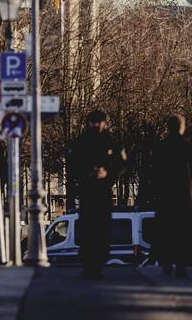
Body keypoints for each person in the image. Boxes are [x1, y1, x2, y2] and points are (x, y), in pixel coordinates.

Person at [67, 109, 125, 278]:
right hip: (87, 190)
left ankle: (97, 263)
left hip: (103, 190)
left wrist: (108, 174)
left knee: (101, 226)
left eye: (99, 123)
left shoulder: (110, 141)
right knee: (88, 226)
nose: (97, 126)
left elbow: (122, 163)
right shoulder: (81, 142)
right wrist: (85, 175)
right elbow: (71, 165)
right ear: (89, 124)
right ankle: (88, 263)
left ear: (104, 124)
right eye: (94, 123)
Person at [150, 113, 192, 276]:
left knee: (166, 230)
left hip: (165, 196)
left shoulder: (161, 147)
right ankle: (181, 265)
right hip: (184, 196)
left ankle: (166, 263)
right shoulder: (189, 147)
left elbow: (155, 173)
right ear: (182, 127)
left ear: (168, 127)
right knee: (182, 231)